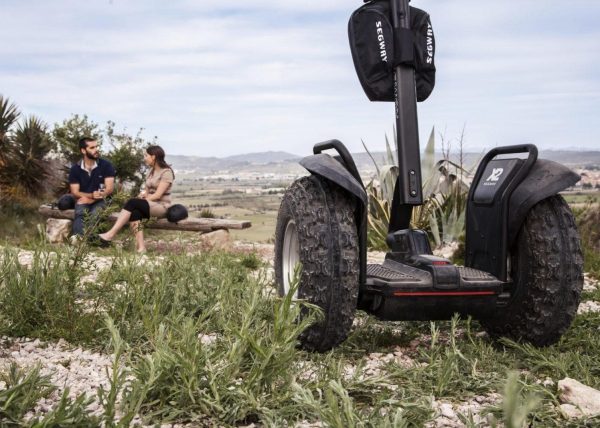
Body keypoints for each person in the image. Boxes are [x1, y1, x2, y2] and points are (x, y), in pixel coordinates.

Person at [98, 145, 174, 253]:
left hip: (162, 206)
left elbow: (157, 195)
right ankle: (141, 248)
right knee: (135, 212)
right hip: (150, 204)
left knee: (132, 202)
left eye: (146, 155)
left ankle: (110, 235)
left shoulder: (166, 172)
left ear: (153, 157)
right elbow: (147, 192)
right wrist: (142, 195)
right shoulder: (150, 172)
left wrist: (143, 199)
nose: (144, 158)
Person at [69, 137, 116, 237]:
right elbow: (75, 192)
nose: (96, 150)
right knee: (80, 212)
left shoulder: (106, 165)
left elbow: (109, 189)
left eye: (96, 146)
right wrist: (90, 195)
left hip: (102, 199)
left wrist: (92, 199)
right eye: (92, 148)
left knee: (95, 214)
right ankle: (78, 239)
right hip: (84, 199)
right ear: (83, 150)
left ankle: (89, 240)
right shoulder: (75, 169)